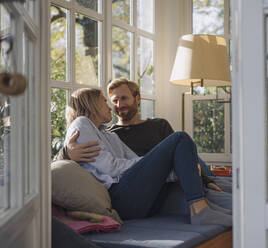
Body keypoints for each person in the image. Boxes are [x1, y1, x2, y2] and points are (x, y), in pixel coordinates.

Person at [64, 88, 232, 226]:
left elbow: (135, 160)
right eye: (105, 101)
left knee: (196, 190)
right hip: (120, 198)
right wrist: (162, 165)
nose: (110, 107)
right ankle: (200, 210)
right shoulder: (81, 124)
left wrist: (174, 172)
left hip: (137, 195)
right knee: (180, 138)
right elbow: (112, 167)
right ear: (92, 103)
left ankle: (235, 213)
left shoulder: (109, 135)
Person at [55, 78, 232, 194]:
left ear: (137, 99)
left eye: (123, 98)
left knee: (218, 182)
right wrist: (66, 153)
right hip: (149, 184)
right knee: (181, 141)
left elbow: (185, 156)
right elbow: (58, 165)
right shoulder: (108, 133)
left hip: (173, 175)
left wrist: (204, 179)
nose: (117, 105)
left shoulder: (158, 125)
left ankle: (212, 183)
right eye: (113, 101)